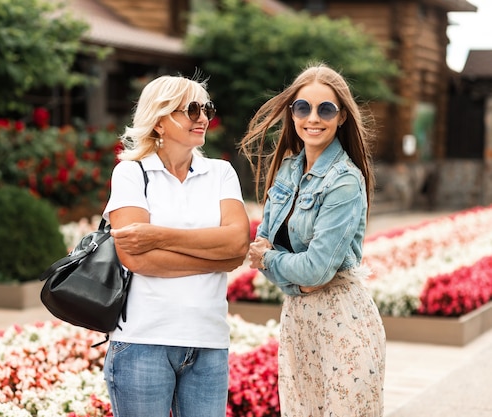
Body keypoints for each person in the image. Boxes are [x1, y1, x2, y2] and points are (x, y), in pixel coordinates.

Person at [239, 63, 386, 416]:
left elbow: (315, 269)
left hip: (344, 326)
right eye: (303, 108)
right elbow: (261, 246)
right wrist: (295, 279)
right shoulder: (288, 171)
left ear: (342, 118)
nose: (313, 118)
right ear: (292, 115)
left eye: (326, 109)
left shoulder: (345, 182)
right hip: (298, 325)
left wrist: (275, 261)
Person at [102, 74, 250, 417]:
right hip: (142, 342)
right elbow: (135, 258)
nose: (203, 118)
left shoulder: (221, 173)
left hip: (209, 342)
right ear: (159, 120)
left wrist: (158, 236)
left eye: (206, 108)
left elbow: (237, 242)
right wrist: (217, 259)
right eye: (191, 109)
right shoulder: (130, 173)